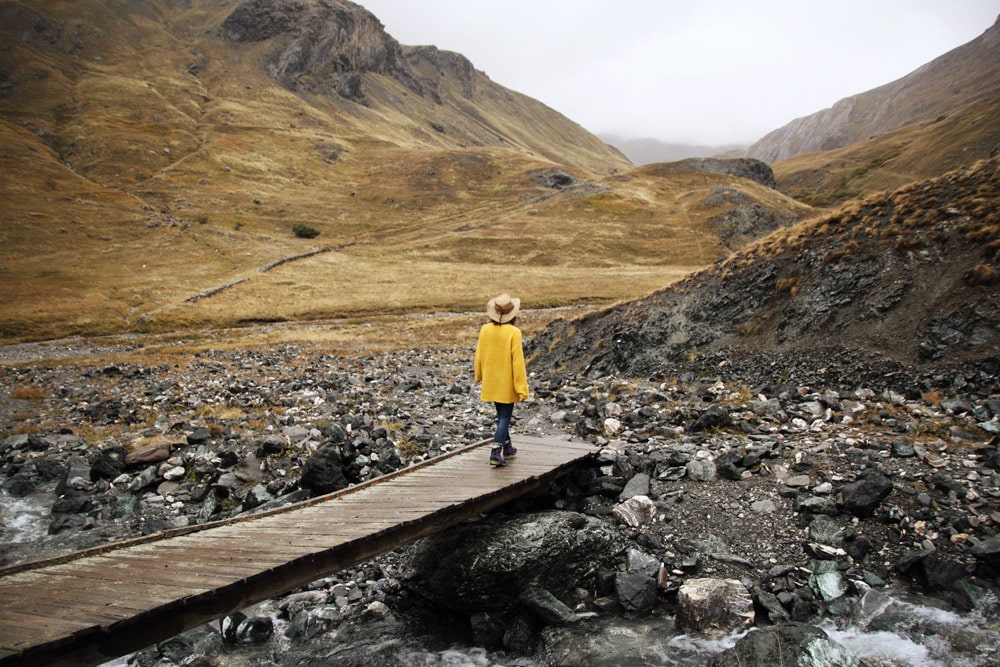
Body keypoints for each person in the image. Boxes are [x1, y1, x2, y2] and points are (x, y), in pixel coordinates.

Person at [474, 293, 530, 467]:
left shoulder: (485, 330)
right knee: (505, 417)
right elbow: (518, 362)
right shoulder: (514, 332)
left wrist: (479, 375)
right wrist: (522, 389)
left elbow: (479, 355)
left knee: (501, 415)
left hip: (491, 380)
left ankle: (507, 447)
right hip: (507, 382)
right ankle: (495, 451)